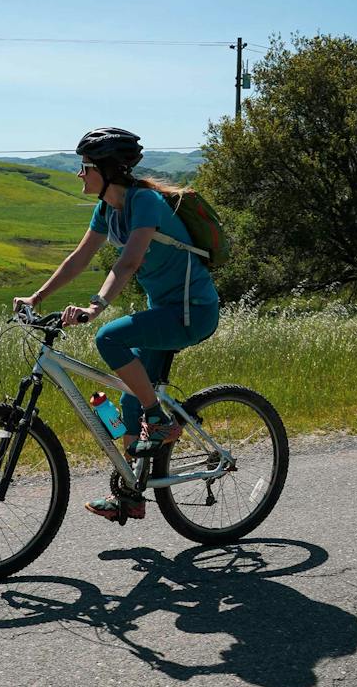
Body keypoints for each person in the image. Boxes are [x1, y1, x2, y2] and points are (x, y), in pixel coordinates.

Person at [13, 127, 220, 522]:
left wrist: (96, 307)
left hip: (191, 310)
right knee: (129, 396)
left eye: (85, 166)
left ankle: (160, 422)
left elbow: (129, 262)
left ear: (108, 170)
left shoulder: (145, 202)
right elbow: (79, 257)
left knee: (109, 337)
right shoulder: (108, 208)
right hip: (164, 309)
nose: (80, 174)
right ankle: (131, 495)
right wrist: (36, 299)